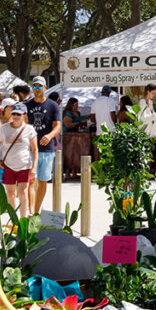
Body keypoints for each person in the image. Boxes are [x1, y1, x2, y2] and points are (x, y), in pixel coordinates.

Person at [0, 98, 39, 216]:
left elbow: (35, 150)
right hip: (8, 165)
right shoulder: (4, 128)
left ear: (24, 115)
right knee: (10, 194)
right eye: (14, 113)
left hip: (24, 165)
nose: (15, 116)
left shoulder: (29, 129)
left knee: (23, 193)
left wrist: (34, 167)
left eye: (18, 114)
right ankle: (13, 219)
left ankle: (23, 219)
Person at [60, 97, 97, 227]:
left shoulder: (78, 113)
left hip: (78, 135)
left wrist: (82, 121)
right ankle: (69, 172)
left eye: (77, 104)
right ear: (71, 105)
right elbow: (68, 125)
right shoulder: (68, 114)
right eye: (75, 104)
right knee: (71, 154)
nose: (77, 106)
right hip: (69, 136)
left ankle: (75, 171)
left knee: (78, 154)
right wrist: (79, 123)